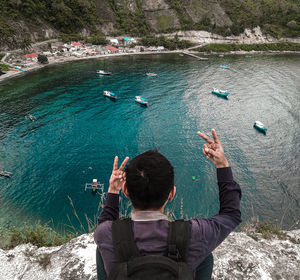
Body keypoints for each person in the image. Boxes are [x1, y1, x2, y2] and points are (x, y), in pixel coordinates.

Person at [94, 129, 242, 279]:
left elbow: (103, 224)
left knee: (101, 252)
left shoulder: (105, 234)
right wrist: (222, 164)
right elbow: (231, 215)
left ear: (125, 191)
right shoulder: (196, 235)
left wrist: (113, 190)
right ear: (172, 193)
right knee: (205, 256)